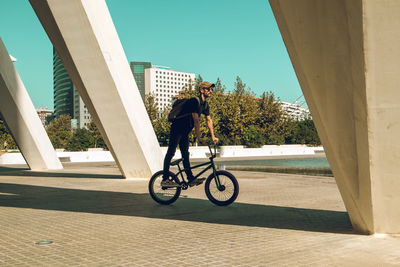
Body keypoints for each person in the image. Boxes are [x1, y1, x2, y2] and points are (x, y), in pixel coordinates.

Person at [162, 81, 219, 186]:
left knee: (185, 154)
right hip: (177, 128)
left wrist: (213, 136)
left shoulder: (205, 104)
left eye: (211, 89)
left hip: (185, 131)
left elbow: (208, 120)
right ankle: (165, 178)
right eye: (208, 89)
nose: (211, 91)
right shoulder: (194, 101)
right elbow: (196, 120)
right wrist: (198, 138)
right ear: (201, 90)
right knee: (171, 152)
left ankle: (190, 178)